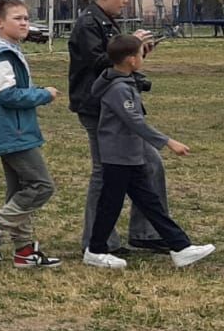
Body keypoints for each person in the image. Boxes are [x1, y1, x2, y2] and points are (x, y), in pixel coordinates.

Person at [83, 35, 216, 270]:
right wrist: (167, 142)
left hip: (128, 155)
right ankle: (95, 250)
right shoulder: (119, 89)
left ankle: (181, 247)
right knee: (111, 205)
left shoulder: (120, 82)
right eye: (141, 54)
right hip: (119, 157)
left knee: (148, 202)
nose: (143, 58)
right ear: (132, 61)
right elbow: (135, 121)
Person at [68, 0, 169, 255]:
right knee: (106, 173)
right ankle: (98, 241)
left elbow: (117, 62)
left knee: (149, 164)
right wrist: (131, 43)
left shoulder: (104, 21)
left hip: (113, 106)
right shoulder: (89, 23)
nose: (125, 0)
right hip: (98, 107)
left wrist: (138, 52)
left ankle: (145, 232)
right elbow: (100, 62)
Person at [0, 0, 62, 270]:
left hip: (17, 129)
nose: (24, 23)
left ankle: (24, 251)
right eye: (17, 18)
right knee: (41, 186)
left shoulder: (10, 51)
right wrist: (43, 94)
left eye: (26, 18)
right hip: (12, 131)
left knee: (19, 191)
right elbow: (7, 95)